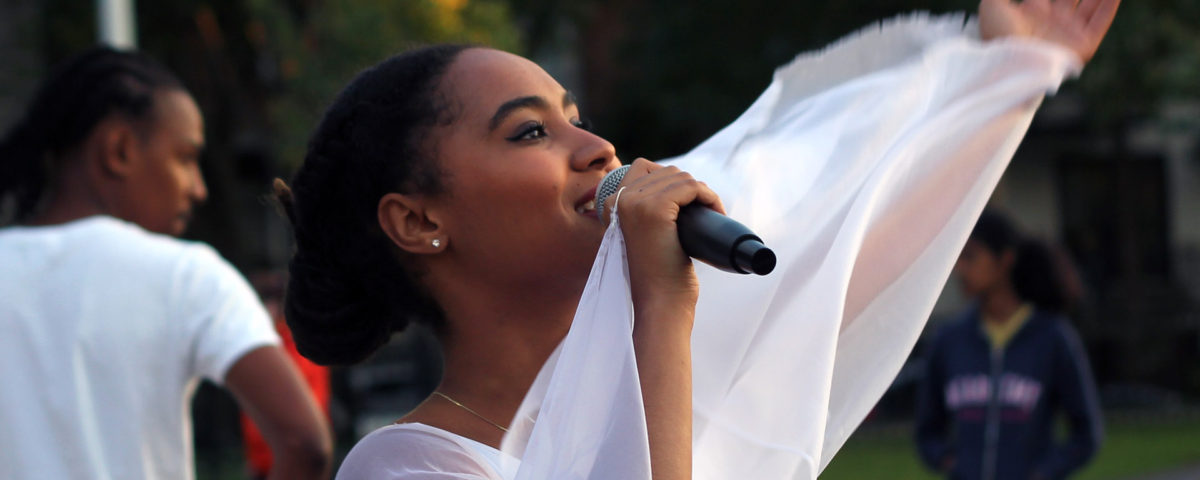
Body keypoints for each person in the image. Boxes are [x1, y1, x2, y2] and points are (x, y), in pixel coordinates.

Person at [274, 0, 1118, 478]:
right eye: (530, 133)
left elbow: (855, 252)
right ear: (420, 221)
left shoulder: (660, 354)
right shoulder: (409, 467)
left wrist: (1013, 75)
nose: (596, 148)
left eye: (577, 118)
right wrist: (663, 308)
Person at [0, 47, 332, 480]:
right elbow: (305, 444)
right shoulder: (187, 276)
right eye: (186, 158)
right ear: (119, 150)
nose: (198, 189)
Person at [915, 209, 1104, 480]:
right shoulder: (948, 340)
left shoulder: (1052, 338)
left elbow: (1086, 434)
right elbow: (927, 431)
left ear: (1005, 260)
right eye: (957, 257)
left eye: (970, 256)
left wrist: (1043, 472)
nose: (960, 269)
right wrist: (950, 461)